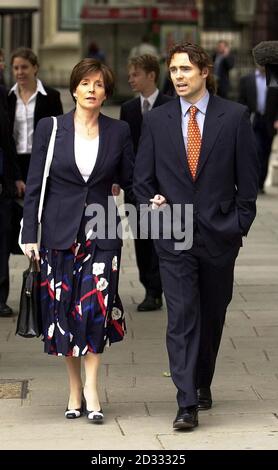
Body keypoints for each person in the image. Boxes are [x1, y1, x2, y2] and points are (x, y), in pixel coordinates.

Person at [133, 42, 259, 430]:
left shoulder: (235, 117)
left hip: (219, 237)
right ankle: (185, 401)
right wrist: (153, 207)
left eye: (186, 69)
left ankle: (202, 382)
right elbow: (141, 180)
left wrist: (237, 227)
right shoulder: (157, 120)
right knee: (182, 317)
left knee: (211, 316)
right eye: (174, 70)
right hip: (173, 237)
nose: (179, 76)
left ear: (205, 71)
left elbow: (248, 184)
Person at [21, 58, 134, 423]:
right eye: (85, 83)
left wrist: (157, 205)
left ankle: (91, 387)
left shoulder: (119, 132)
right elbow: (36, 184)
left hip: (101, 234)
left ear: (106, 93)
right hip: (57, 233)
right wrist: (28, 234)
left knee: (95, 312)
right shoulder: (50, 128)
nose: (91, 89)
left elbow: (130, 179)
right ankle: (73, 388)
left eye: (99, 84)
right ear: (73, 88)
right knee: (63, 315)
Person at [120, 54, 173, 311]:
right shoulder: (128, 109)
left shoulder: (171, 104)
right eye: (130, 75)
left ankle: (166, 286)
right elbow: (124, 147)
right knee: (142, 239)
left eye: (135, 74)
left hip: (166, 187)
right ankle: (151, 290)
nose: (130, 79)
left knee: (165, 238)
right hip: (136, 187)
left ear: (151, 75)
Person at [7, 47, 63, 254]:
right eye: (16, 68)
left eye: (24, 67)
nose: (20, 72)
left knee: (42, 212)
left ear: (35, 68)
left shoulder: (51, 96)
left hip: (40, 160)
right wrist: (14, 176)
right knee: (15, 218)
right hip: (16, 162)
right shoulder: (8, 97)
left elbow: (59, 134)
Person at [0, 85, 25, 317]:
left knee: (3, 241)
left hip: (3, 185)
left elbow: (7, 139)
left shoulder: (1, 93)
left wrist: (16, 175)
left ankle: (1, 298)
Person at [239, 63, 278, 193]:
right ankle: (252, 182)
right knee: (255, 150)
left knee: (265, 152)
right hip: (253, 120)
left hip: (269, 121)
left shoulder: (274, 80)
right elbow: (241, 101)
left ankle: (260, 183)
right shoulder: (246, 80)